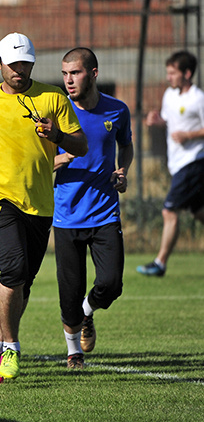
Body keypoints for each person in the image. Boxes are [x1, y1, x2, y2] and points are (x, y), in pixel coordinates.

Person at [0, 32, 87, 385]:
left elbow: (81, 144)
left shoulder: (52, 97)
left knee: (23, 285)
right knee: (13, 271)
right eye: (13, 64)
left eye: (26, 63)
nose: (20, 70)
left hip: (41, 202)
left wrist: (57, 135)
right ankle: (12, 346)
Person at [55, 47, 133, 369]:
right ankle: (74, 352)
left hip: (104, 212)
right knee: (68, 295)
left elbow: (126, 147)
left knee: (112, 283)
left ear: (94, 73)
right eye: (64, 74)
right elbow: (36, 162)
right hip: (66, 215)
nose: (68, 80)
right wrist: (60, 158)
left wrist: (122, 170)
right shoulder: (57, 114)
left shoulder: (117, 111)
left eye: (75, 73)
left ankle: (88, 311)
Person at [137, 50, 204, 277]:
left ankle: (160, 263)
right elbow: (170, 121)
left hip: (193, 162)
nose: (168, 77)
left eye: (173, 73)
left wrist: (189, 135)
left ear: (187, 73)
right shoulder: (169, 95)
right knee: (199, 212)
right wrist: (158, 121)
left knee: (169, 211)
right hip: (176, 164)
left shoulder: (198, 98)